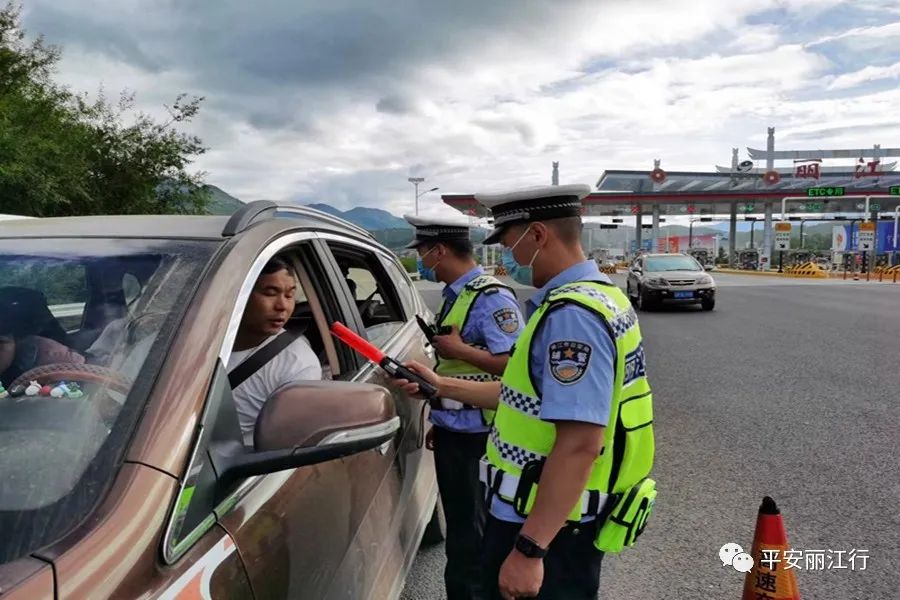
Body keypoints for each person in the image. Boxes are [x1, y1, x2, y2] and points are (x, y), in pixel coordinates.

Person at [395, 185, 655, 599]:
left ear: (537, 235)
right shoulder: (602, 298)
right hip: (551, 517)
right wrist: (440, 385)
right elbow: (520, 395)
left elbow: (580, 444)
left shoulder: (573, 317)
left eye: (509, 242)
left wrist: (530, 550)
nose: (506, 257)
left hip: (546, 523)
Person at [404, 214, 525, 600]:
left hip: (480, 436)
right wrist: (442, 418)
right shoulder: (458, 295)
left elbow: (516, 369)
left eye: (423, 252)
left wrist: (459, 350)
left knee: (472, 535)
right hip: (457, 429)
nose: (422, 260)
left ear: (439, 251)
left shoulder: (491, 298)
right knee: (461, 528)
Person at [228, 256, 321, 446]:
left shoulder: (298, 365)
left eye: (289, 295)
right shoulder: (187, 341)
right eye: (270, 293)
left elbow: (288, 446)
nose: (283, 306)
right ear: (240, 294)